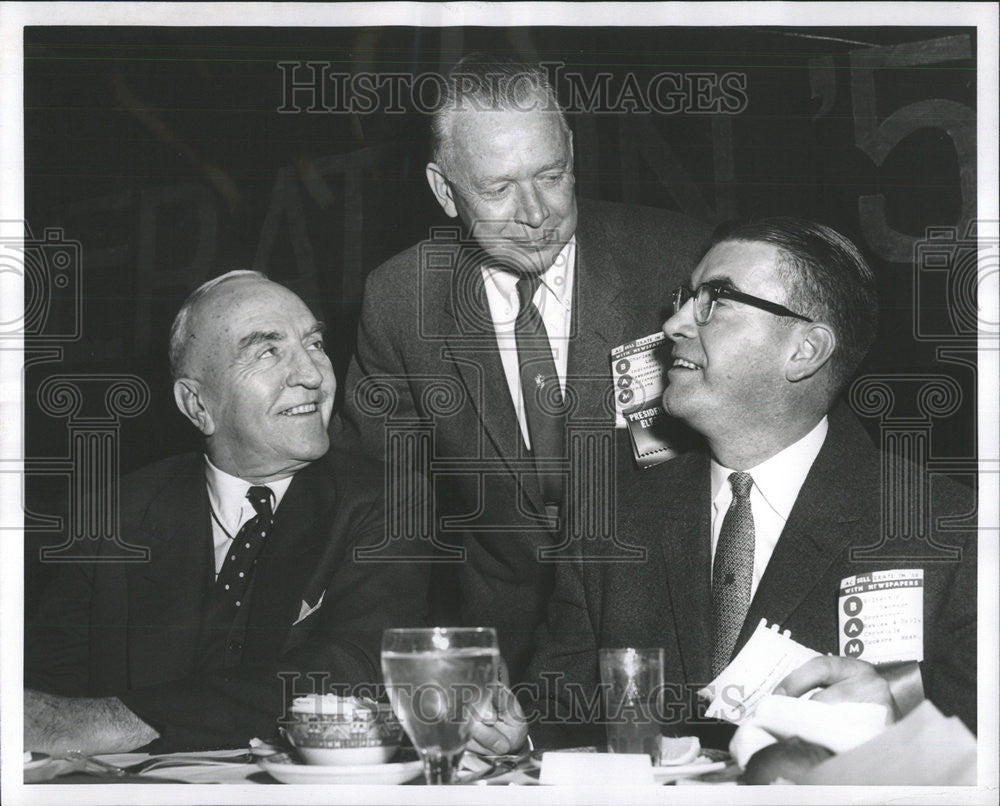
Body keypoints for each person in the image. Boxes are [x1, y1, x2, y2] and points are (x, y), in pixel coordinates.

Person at [522, 218, 976, 748]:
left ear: (805, 350)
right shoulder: (612, 519)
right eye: (686, 297)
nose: (674, 324)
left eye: (716, 300)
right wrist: (513, 733)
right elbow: (554, 715)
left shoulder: (948, 531)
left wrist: (896, 709)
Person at [332, 53, 711, 680]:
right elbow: (379, 508)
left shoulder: (679, 262)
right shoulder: (400, 300)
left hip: (667, 640)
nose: (536, 213)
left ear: (572, 154)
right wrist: (425, 663)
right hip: (498, 656)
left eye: (552, 175)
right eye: (499, 189)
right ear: (443, 191)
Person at [24, 271, 434, 753]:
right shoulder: (113, 518)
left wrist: (116, 722)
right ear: (198, 405)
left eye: (315, 344)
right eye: (267, 351)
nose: (312, 375)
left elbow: (355, 672)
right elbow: (44, 704)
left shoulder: (389, 499)